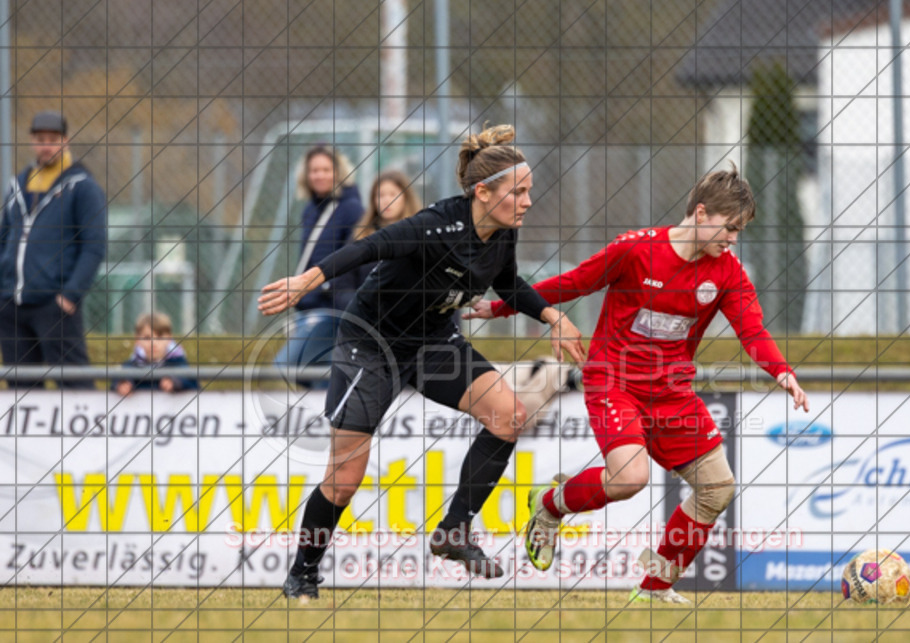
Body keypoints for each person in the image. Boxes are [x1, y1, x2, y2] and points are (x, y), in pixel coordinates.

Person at [258, 124, 586, 600]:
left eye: (528, 190)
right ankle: (302, 573)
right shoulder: (436, 225)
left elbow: (509, 284)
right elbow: (369, 247)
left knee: (508, 416)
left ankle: (454, 530)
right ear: (482, 192)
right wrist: (308, 279)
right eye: (518, 191)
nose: (527, 201)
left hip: (432, 342)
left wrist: (553, 316)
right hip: (370, 344)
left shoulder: (501, 233)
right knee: (345, 479)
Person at [467, 165, 810, 606]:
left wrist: (782, 372)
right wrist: (498, 309)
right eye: (730, 227)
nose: (733, 239)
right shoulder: (637, 250)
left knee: (717, 488)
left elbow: (753, 330)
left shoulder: (727, 272)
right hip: (614, 381)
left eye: (739, 231)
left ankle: (654, 588)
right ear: (701, 213)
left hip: (672, 392)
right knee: (630, 478)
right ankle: (551, 505)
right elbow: (574, 283)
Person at [0, 111, 106, 390]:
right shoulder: (17, 185)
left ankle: (88, 433)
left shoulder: (82, 187)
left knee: (73, 385)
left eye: (52, 139)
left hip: (55, 305)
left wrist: (69, 296)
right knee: (21, 391)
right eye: (40, 139)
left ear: (65, 141)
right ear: (32, 142)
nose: (46, 145)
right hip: (12, 306)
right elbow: (4, 239)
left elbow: (94, 247)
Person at [273, 146, 365, 389]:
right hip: (308, 305)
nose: (319, 175)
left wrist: (326, 290)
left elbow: (352, 260)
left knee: (285, 365)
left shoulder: (351, 209)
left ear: (339, 172)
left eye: (326, 169)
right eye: (314, 170)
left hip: (329, 307)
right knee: (319, 375)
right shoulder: (311, 210)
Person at [349, 169, 423, 282]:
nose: (386, 201)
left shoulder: (421, 234)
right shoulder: (360, 234)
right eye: (380, 195)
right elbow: (343, 283)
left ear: (406, 197)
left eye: (393, 195)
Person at [112, 312, 199, 396]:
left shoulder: (179, 363)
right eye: (147, 338)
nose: (153, 343)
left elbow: (193, 384)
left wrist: (176, 382)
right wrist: (123, 384)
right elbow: (117, 380)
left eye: (160, 338)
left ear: (169, 339)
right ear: (137, 340)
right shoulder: (130, 365)